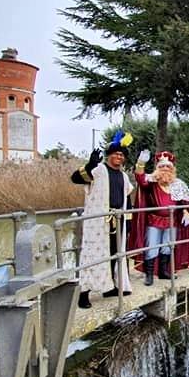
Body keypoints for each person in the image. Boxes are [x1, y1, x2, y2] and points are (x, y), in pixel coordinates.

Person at [71, 130, 135, 309]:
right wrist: (90, 164)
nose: (118, 157)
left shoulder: (123, 176)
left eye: (121, 155)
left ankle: (108, 287)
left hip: (117, 219)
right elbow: (76, 178)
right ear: (109, 155)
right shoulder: (98, 170)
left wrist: (127, 221)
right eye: (115, 154)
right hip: (98, 221)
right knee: (92, 255)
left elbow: (126, 198)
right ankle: (83, 294)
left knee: (114, 254)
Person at [131, 150, 189, 285]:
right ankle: (149, 274)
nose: (165, 169)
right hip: (154, 221)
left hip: (172, 222)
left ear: (172, 170)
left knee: (167, 247)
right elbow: (140, 179)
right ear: (157, 168)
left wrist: (186, 211)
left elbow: (185, 201)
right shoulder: (152, 182)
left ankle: (163, 271)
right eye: (162, 166)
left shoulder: (178, 184)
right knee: (152, 247)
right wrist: (141, 164)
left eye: (168, 167)